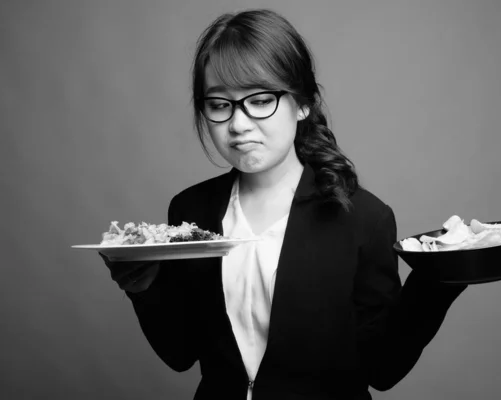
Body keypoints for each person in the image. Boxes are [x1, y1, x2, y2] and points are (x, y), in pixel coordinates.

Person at [102, 9, 467, 400]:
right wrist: (140, 285)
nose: (238, 124)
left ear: (303, 104)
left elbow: (382, 368)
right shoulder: (191, 211)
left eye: (260, 100)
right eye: (220, 104)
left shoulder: (363, 218)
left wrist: (439, 278)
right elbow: (180, 352)